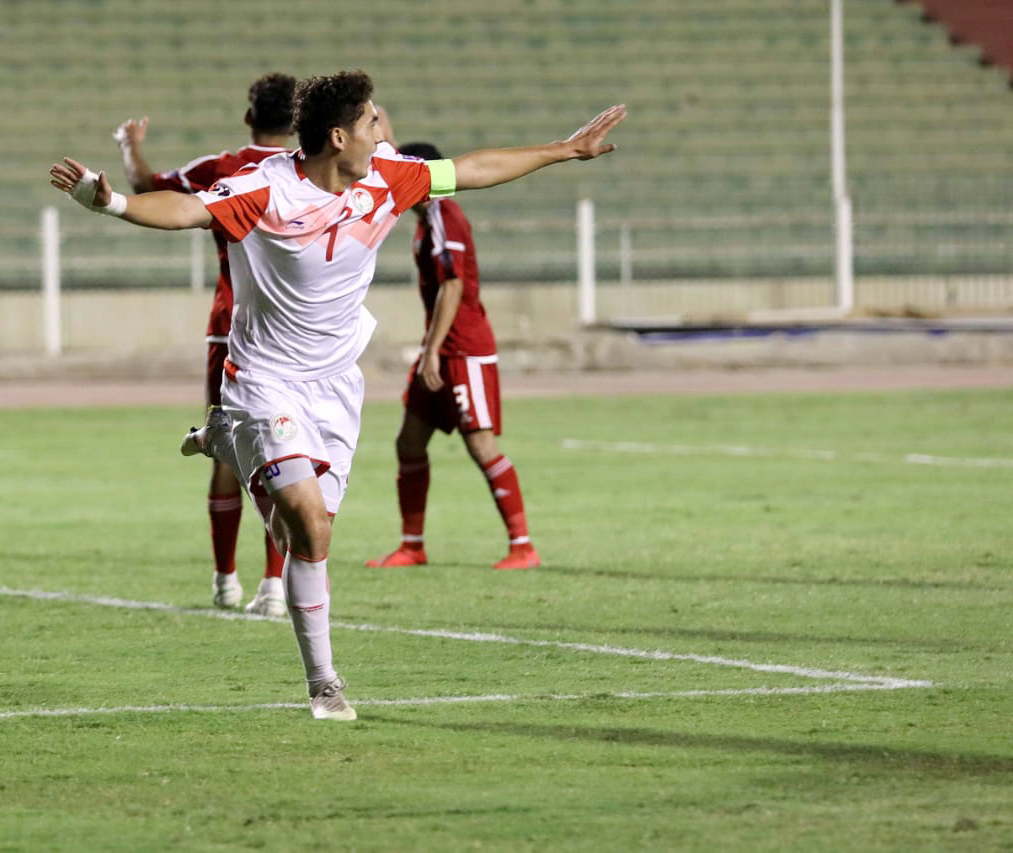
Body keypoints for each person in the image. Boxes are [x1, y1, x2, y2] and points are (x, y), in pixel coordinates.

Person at [50, 70, 625, 721]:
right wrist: (113, 203)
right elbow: (187, 210)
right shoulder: (266, 187)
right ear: (338, 136)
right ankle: (324, 684)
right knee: (310, 524)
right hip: (265, 380)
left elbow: (471, 169)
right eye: (373, 122)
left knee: (307, 533)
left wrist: (564, 150)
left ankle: (227, 441)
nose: (384, 132)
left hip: (335, 388)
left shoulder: (388, 176)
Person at [113, 73, 296, 617]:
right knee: (282, 448)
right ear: (296, 122)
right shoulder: (304, 169)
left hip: (230, 323)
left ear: (249, 117)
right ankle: (275, 584)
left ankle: (225, 580)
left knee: (226, 444)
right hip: (290, 329)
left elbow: (149, 186)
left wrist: (129, 146)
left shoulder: (224, 167)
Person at [365, 141, 539, 571]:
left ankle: (523, 547)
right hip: (441, 348)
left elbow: (454, 284)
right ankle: (412, 546)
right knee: (409, 442)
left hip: (463, 349)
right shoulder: (426, 220)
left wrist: (432, 352)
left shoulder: (445, 215)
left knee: (481, 444)